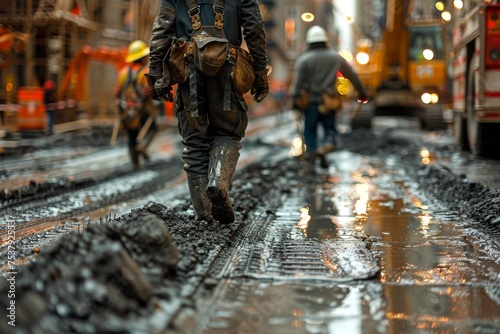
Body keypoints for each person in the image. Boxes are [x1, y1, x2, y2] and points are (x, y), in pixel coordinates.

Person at [146, 0, 269, 224]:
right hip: (228, 68)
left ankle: (205, 214)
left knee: (195, 142)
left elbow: (162, 30)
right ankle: (218, 184)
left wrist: (156, 73)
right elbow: (254, 29)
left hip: (188, 68)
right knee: (227, 132)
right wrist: (260, 71)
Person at [289, 25, 368, 173]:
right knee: (329, 129)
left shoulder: (303, 59)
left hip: (310, 103)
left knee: (310, 131)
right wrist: (362, 93)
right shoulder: (336, 58)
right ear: (325, 40)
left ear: (309, 42)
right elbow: (353, 76)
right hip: (329, 101)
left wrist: (294, 101)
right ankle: (324, 148)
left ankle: (311, 160)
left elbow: (296, 85)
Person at [115, 40, 158, 170]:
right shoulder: (144, 72)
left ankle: (135, 164)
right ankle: (142, 148)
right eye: (146, 56)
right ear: (141, 57)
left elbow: (117, 92)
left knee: (131, 136)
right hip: (142, 109)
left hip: (127, 110)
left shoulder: (122, 72)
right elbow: (148, 92)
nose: (147, 58)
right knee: (152, 128)